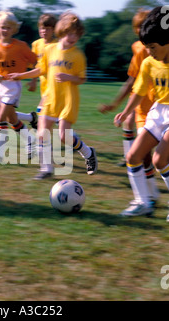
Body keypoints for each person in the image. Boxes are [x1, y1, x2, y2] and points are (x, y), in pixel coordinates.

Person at [8, 12, 98, 179]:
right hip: (50, 97)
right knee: (42, 133)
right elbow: (41, 70)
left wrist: (68, 77)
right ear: (61, 32)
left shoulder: (77, 55)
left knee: (64, 136)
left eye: (76, 35)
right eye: (70, 33)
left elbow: (82, 78)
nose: (73, 38)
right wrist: (20, 75)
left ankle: (88, 152)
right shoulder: (49, 50)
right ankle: (46, 169)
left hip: (68, 99)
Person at [99, 9, 159, 206]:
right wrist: (117, 104)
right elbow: (132, 80)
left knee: (151, 155)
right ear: (136, 31)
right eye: (141, 27)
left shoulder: (153, 47)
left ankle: (149, 194)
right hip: (143, 103)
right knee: (144, 153)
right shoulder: (140, 49)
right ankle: (150, 193)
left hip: (156, 104)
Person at [114, 6, 169, 220]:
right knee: (133, 156)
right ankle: (143, 202)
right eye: (146, 47)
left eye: (152, 47)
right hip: (157, 113)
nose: (148, 51)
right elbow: (139, 91)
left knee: (158, 160)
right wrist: (126, 112)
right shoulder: (148, 62)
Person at [0, 11, 38, 162]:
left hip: (13, 86)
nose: (4, 30)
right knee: (12, 119)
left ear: (14, 29)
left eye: (8, 27)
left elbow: (37, 62)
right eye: (2, 27)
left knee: (1, 117)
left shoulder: (21, 46)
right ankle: (31, 141)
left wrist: (33, 80)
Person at [28, 13, 58, 115]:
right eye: (42, 28)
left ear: (54, 30)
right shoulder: (36, 44)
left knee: (41, 112)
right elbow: (35, 64)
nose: (44, 31)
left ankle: (34, 120)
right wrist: (33, 81)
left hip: (54, 84)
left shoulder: (57, 45)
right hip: (43, 83)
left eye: (48, 28)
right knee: (52, 115)